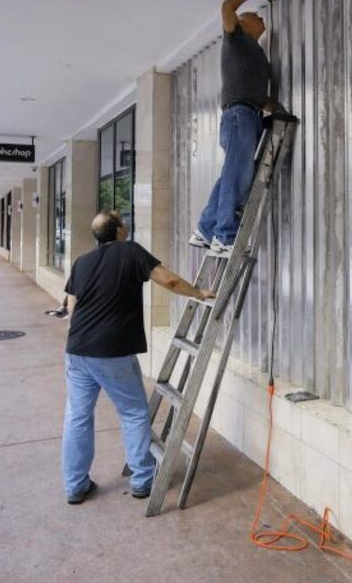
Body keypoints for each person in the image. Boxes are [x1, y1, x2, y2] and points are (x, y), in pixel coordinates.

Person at [62, 211, 215, 505]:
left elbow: (72, 308)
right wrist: (197, 292)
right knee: (133, 412)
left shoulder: (81, 262)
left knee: (77, 418)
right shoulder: (130, 251)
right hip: (112, 352)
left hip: (77, 351)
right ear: (119, 230)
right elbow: (167, 280)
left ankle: (75, 485)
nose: (125, 223)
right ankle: (143, 480)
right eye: (122, 220)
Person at [189, 0, 282, 256]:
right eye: (254, 15)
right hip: (239, 115)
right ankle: (225, 236)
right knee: (237, 177)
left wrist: (275, 108)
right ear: (242, 24)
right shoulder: (236, 40)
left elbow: (256, 91)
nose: (260, 17)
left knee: (230, 174)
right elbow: (227, 7)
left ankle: (205, 229)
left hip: (248, 113)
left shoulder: (258, 56)